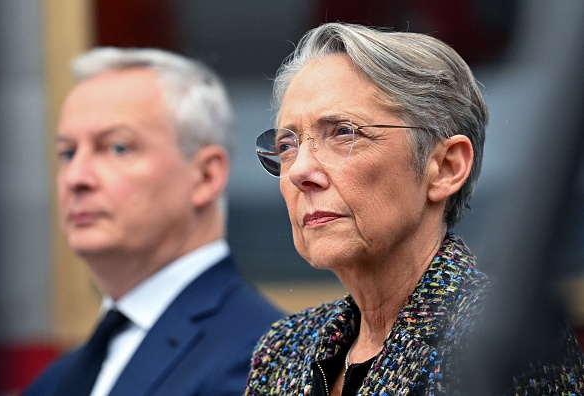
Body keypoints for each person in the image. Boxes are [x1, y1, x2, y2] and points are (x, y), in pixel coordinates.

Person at [246, 22, 584, 395]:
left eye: (343, 132)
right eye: (287, 144)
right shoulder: (282, 350)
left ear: (446, 167)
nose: (300, 171)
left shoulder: (499, 341)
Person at [24, 47, 282, 396]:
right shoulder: (56, 380)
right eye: (68, 153)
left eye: (117, 148)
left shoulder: (263, 359)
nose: (76, 177)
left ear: (206, 176)